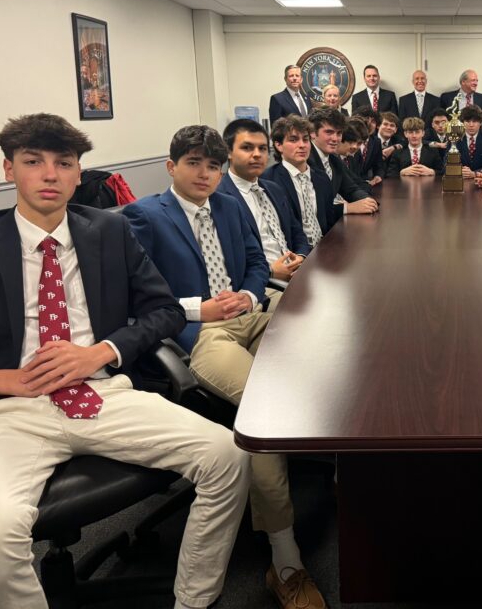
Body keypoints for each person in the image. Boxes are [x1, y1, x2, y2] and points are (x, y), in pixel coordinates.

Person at [0, 113, 249, 609]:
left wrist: (101, 352)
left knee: (229, 455)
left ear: (79, 174)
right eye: (33, 162)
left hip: (102, 392)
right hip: (9, 411)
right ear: (8, 169)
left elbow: (164, 310)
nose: (49, 174)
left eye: (64, 163)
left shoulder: (109, 230)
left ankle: (193, 600)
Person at [123, 126, 328, 608]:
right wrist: (200, 309)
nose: (206, 174)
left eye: (213, 166)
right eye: (194, 163)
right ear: (171, 166)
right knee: (265, 412)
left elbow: (257, 264)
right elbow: (133, 300)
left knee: (333, 345)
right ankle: (285, 557)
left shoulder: (231, 204)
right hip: (199, 333)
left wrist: (251, 294)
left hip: (252, 314)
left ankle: (348, 469)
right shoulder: (144, 216)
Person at [218, 119, 309, 287]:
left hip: (298, 273)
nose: (257, 154)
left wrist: (301, 257)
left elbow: (297, 232)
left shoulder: (274, 189)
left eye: (262, 148)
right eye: (247, 148)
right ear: (229, 152)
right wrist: (270, 271)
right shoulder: (219, 199)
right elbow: (227, 261)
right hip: (264, 283)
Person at [304, 106, 380, 222]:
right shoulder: (304, 160)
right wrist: (346, 208)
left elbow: (351, 189)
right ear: (313, 133)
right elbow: (311, 209)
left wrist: (368, 201)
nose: (335, 138)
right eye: (329, 132)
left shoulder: (334, 159)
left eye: (339, 133)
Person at [263, 116, 329, 245]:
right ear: (278, 145)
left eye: (306, 139)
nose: (302, 145)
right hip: (293, 253)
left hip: (324, 248)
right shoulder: (268, 180)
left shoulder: (321, 178)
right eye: (293, 140)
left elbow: (328, 220)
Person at [457, 105, 482, 177]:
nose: (471, 125)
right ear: (462, 123)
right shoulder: (455, 138)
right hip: (459, 179)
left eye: (475, 121)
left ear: (481, 123)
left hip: (481, 180)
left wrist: (474, 174)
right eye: (467, 121)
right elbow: (446, 163)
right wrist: (460, 171)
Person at [351, 106, 384, 185]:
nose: (369, 124)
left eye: (373, 121)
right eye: (365, 120)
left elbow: (379, 166)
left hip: (366, 184)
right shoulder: (349, 139)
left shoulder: (376, 141)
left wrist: (378, 176)